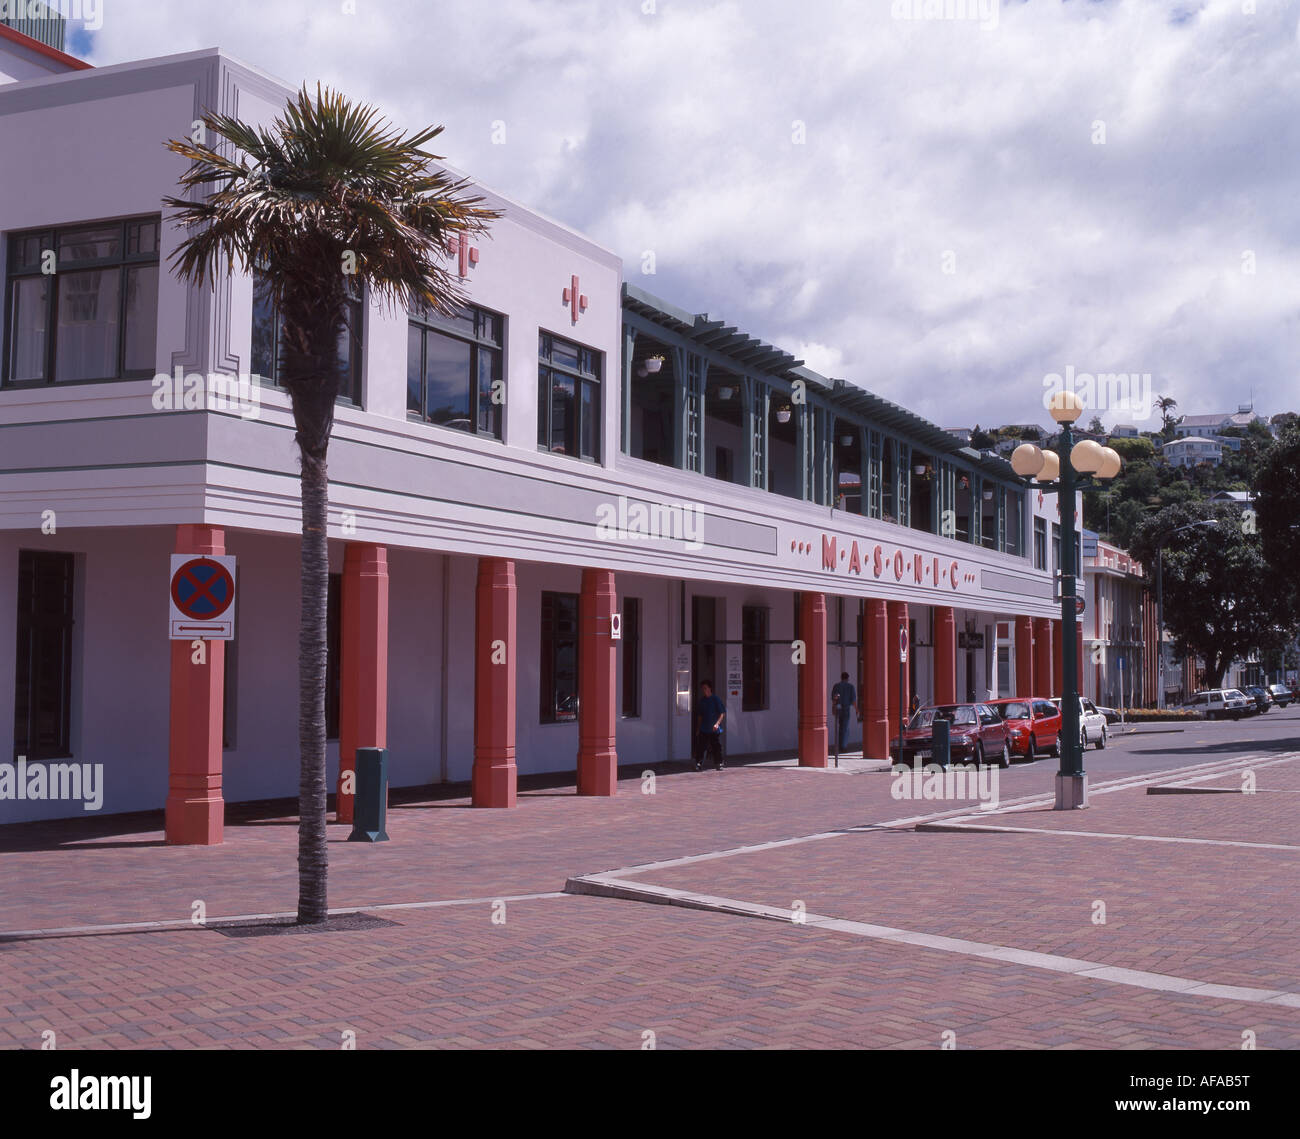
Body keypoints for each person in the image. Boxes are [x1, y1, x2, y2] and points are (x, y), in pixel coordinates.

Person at [693, 680, 726, 771]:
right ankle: (699, 763)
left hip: (714, 729)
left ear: (710, 688)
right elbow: (700, 716)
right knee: (701, 747)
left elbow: (722, 713)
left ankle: (719, 763)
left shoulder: (716, 699)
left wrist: (717, 724)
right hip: (704, 728)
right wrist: (698, 728)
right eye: (702, 688)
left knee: (716, 746)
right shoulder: (702, 701)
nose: (704, 690)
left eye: (705, 688)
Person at [830, 671, 858, 754]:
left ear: (841, 677)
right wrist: (857, 710)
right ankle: (843, 746)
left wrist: (833, 708)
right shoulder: (850, 687)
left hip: (838, 708)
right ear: (847, 678)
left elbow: (834, 698)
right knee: (845, 728)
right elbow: (853, 701)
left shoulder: (836, 686)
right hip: (846, 709)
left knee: (840, 726)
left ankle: (839, 745)